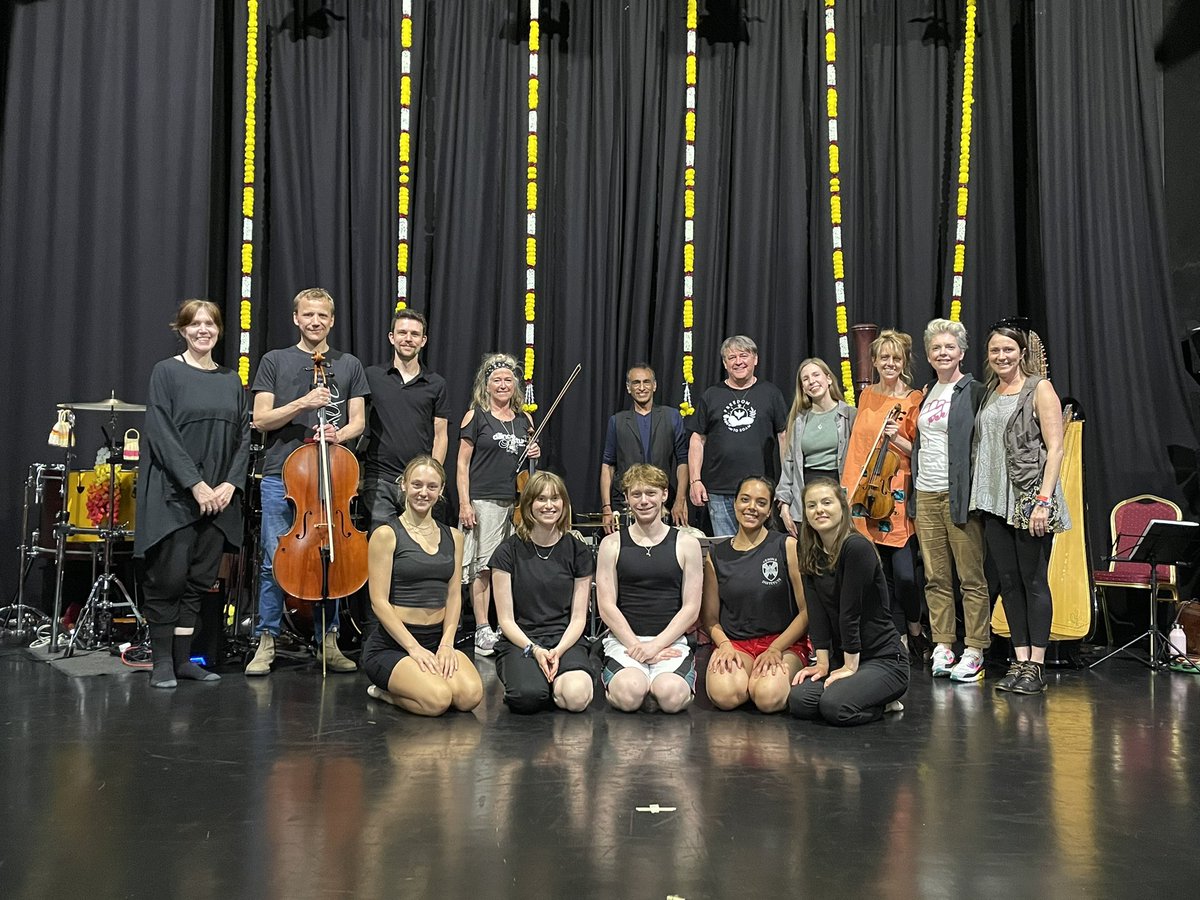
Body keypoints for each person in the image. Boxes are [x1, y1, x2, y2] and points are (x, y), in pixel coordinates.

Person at [245, 287, 369, 676]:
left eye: (322, 316)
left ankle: (327, 640)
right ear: (296, 318)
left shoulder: (348, 364)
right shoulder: (274, 360)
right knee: (273, 561)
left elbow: (358, 421)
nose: (315, 321)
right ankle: (266, 640)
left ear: (332, 321)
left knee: (330, 557)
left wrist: (340, 436)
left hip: (331, 475)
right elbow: (261, 419)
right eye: (307, 315)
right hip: (282, 476)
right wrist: (302, 403)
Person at [135, 300, 250, 688]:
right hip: (175, 496)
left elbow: (243, 436)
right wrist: (195, 484)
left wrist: (230, 485)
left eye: (210, 323)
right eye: (195, 324)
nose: (204, 330)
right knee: (167, 580)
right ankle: (161, 663)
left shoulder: (231, 379)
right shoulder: (166, 372)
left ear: (219, 330)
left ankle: (184, 661)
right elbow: (161, 433)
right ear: (182, 329)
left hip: (219, 499)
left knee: (199, 582)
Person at [969, 322, 1070, 694]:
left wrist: (1043, 500)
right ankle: (1019, 658)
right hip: (995, 499)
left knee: (1033, 581)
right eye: (995, 351)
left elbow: (1056, 448)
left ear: (1022, 353)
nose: (1001, 356)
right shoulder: (989, 393)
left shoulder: (1039, 388)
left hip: (1030, 497)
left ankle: (1037, 665)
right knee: (1008, 583)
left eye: (1008, 350)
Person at [362, 456, 483, 715]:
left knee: (469, 697)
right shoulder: (386, 534)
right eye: (416, 484)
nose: (423, 492)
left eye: (431, 486)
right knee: (438, 700)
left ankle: (424, 681)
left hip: (436, 641)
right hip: (393, 646)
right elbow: (379, 602)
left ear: (440, 491)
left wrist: (447, 644)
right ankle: (385, 693)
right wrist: (413, 649)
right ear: (404, 485)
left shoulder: (455, 537)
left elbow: (453, 596)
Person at [788, 478, 909, 726]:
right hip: (842, 656)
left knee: (835, 707)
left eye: (826, 502)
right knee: (801, 701)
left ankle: (883, 703)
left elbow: (849, 612)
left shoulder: (856, 547)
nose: (819, 509)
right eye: (811, 505)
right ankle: (859, 691)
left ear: (842, 507)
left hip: (883, 658)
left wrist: (850, 666)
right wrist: (822, 664)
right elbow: (817, 612)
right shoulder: (808, 549)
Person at [840, 329, 928, 661]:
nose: (890, 363)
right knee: (877, 576)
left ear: (904, 361)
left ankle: (916, 628)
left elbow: (918, 451)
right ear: (874, 361)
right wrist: (848, 491)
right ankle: (897, 638)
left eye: (896, 358)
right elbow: (857, 448)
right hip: (866, 493)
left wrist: (897, 438)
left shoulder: (913, 398)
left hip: (897, 494)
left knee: (904, 575)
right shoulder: (866, 397)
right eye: (884, 357)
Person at [911, 319, 989, 682]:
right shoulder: (926, 393)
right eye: (936, 348)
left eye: (949, 347)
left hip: (959, 496)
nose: (943, 353)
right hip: (925, 494)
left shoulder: (973, 391)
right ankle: (943, 644)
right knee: (935, 577)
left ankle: (974, 649)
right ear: (929, 355)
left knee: (970, 577)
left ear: (961, 352)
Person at [595, 464, 704, 713]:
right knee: (629, 695)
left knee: (671, 698)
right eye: (636, 494)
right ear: (626, 499)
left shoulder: (687, 544)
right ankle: (638, 686)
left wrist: (655, 647)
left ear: (664, 495)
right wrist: (637, 646)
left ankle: (657, 686)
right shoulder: (611, 544)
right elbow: (606, 606)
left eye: (651, 493)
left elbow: (691, 608)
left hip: (670, 642)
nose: (644, 501)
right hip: (625, 642)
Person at [701, 476, 810, 713]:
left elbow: (806, 612)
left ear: (769, 509)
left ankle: (760, 682)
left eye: (761, 502)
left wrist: (776, 649)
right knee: (725, 696)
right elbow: (709, 618)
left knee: (767, 697)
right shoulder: (717, 554)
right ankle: (747, 680)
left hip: (781, 642)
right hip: (736, 643)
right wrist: (725, 645)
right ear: (735, 503)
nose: (752, 507)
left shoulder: (786, 545)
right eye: (745, 500)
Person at [491, 471, 596, 713]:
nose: (549, 505)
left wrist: (558, 651)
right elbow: (505, 620)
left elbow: (579, 617)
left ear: (564, 504)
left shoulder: (578, 551)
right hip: (522, 642)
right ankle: (537, 681)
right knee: (527, 698)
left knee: (577, 697)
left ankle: (557, 682)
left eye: (555, 498)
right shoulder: (507, 552)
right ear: (528, 504)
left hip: (565, 639)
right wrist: (535, 650)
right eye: (541, 499)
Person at [457, 353, 540, 657]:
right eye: (497, 380)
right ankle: (481, 628)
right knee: (483, 568)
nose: (503, 385)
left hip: (517, 503)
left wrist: (535, 452)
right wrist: (465, 503)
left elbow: (526, 466)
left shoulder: (523, 419)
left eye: (508, 380)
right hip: (484, 500)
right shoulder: (475, 416)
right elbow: (462, 464)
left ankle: (507, 625)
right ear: (487, 384)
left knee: (510, 568)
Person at [687, 335, 788, 537]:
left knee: (758, 551)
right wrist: (695, 480)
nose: (738, 361)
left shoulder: (771, 393)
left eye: (744, 355)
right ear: (725, 363)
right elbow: (698, 439)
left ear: (755, 359)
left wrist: (787, 483)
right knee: (726, 551)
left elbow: (784, 437)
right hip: (719, 491)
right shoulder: (711, 394)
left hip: (759, 490)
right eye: (732, 357)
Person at [360, 308, 449, 531]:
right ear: (392, 337)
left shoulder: (436, 384)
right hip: (380, 479)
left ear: (423, 340)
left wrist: (432, 478)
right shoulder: (371, 376)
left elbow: (441, 435)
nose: (408, 339)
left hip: (419, 484)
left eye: (414, 334)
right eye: (402, 333)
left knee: (416, 549)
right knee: (381, 546)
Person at [599, 364, 689, 533]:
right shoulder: (617, 421)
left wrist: (680, 500)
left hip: (663, 503)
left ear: (654, 386)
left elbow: (683, 461)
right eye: (636, 383)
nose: (641, 388)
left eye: (646, 382)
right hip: (626, 503)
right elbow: (607, 465)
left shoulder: (672, 416)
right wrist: (606, 507)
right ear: (628, 387)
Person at [776, 357, 857, 537]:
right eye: (805, 379)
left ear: (828, 379)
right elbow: (789, 465)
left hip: (838, 491)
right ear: (803, 388)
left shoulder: (849, 415)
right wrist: (784, 504)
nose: (811, 381)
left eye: (816, 375)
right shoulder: (798, 420)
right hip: (806, 494)